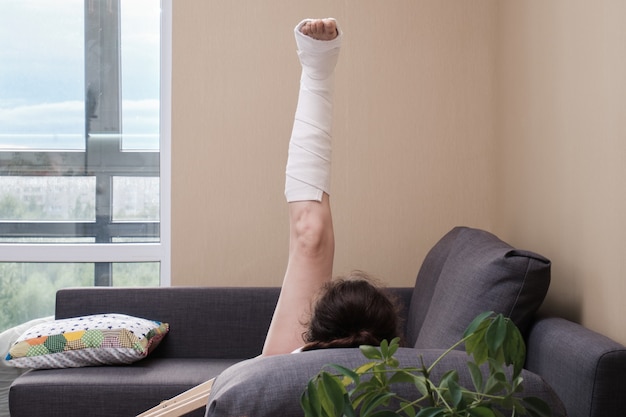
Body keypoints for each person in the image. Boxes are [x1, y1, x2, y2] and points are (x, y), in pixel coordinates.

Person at [138, 18, 402, 417]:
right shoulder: (284, 368)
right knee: (309, 235)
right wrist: (316, 71)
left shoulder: (275, 375)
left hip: (294, 364)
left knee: (310, 236)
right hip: (304, 359)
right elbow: (308, 232)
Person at [262, 18, 402, 356]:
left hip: (290, 371)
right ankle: (317, 72)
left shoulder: (258, 389)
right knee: (311, 233)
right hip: (325, 357)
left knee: (311, 234)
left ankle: (317, 71)